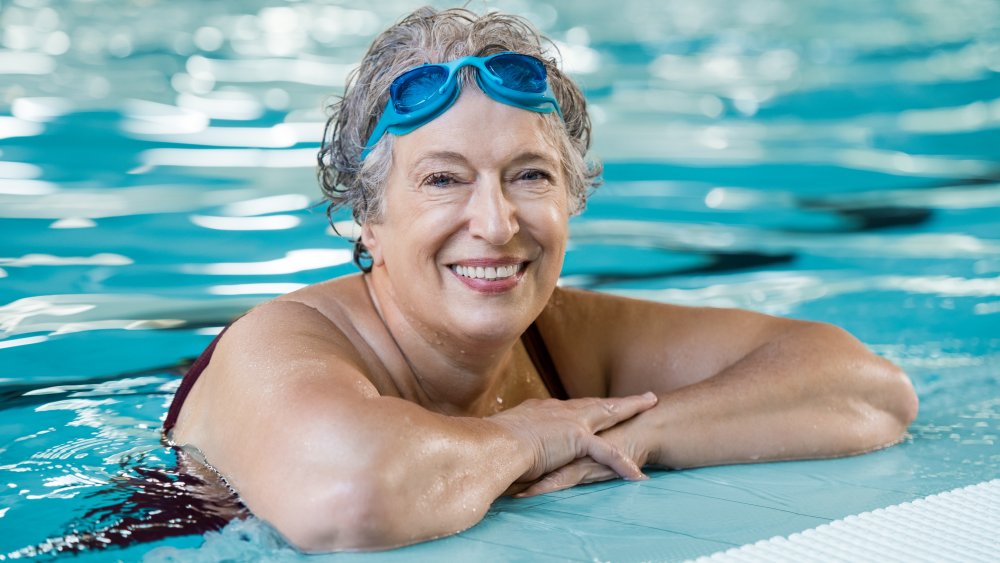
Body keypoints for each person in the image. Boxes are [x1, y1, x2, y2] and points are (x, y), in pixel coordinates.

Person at [162, 6, 918, 553]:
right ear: (367, 217)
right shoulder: (281, 343)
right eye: (442, 180)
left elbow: (867, 390)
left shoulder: (559, 338)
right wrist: (527, 435)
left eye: (528, 175)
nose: (495, 223)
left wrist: (640, 433)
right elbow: (354, 498)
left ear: (571, 197)